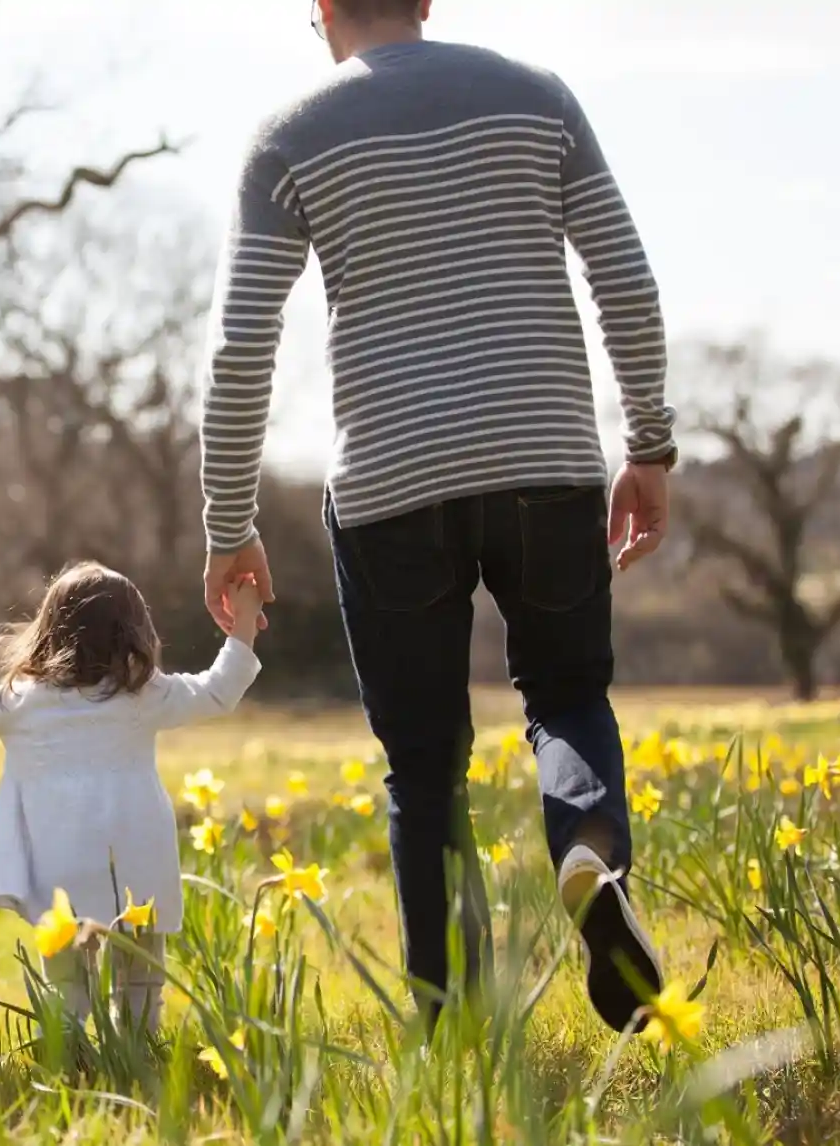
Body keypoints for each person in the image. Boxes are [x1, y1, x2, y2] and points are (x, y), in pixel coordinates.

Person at [199, 0, 673, 1032]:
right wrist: (649, 445)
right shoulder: (535, 97)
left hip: (388, 487)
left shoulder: (289, 138)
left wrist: (228, 522)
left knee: (422, 763)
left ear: (321, 10)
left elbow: (240, 350)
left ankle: (456, 1030)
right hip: (543, 460)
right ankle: (587, 850)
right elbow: (623, 278)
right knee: (564, 697)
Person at [0, 562, 264, 1031]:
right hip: (136, 867)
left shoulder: (21, 702)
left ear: (47, 630)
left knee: (66, 987)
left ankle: (68, 1059)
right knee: (141, 983)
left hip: (59, 869)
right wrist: (243, 621)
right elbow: (219, 691)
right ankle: (136, 1057)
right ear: (137, 633)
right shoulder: (144, 696)